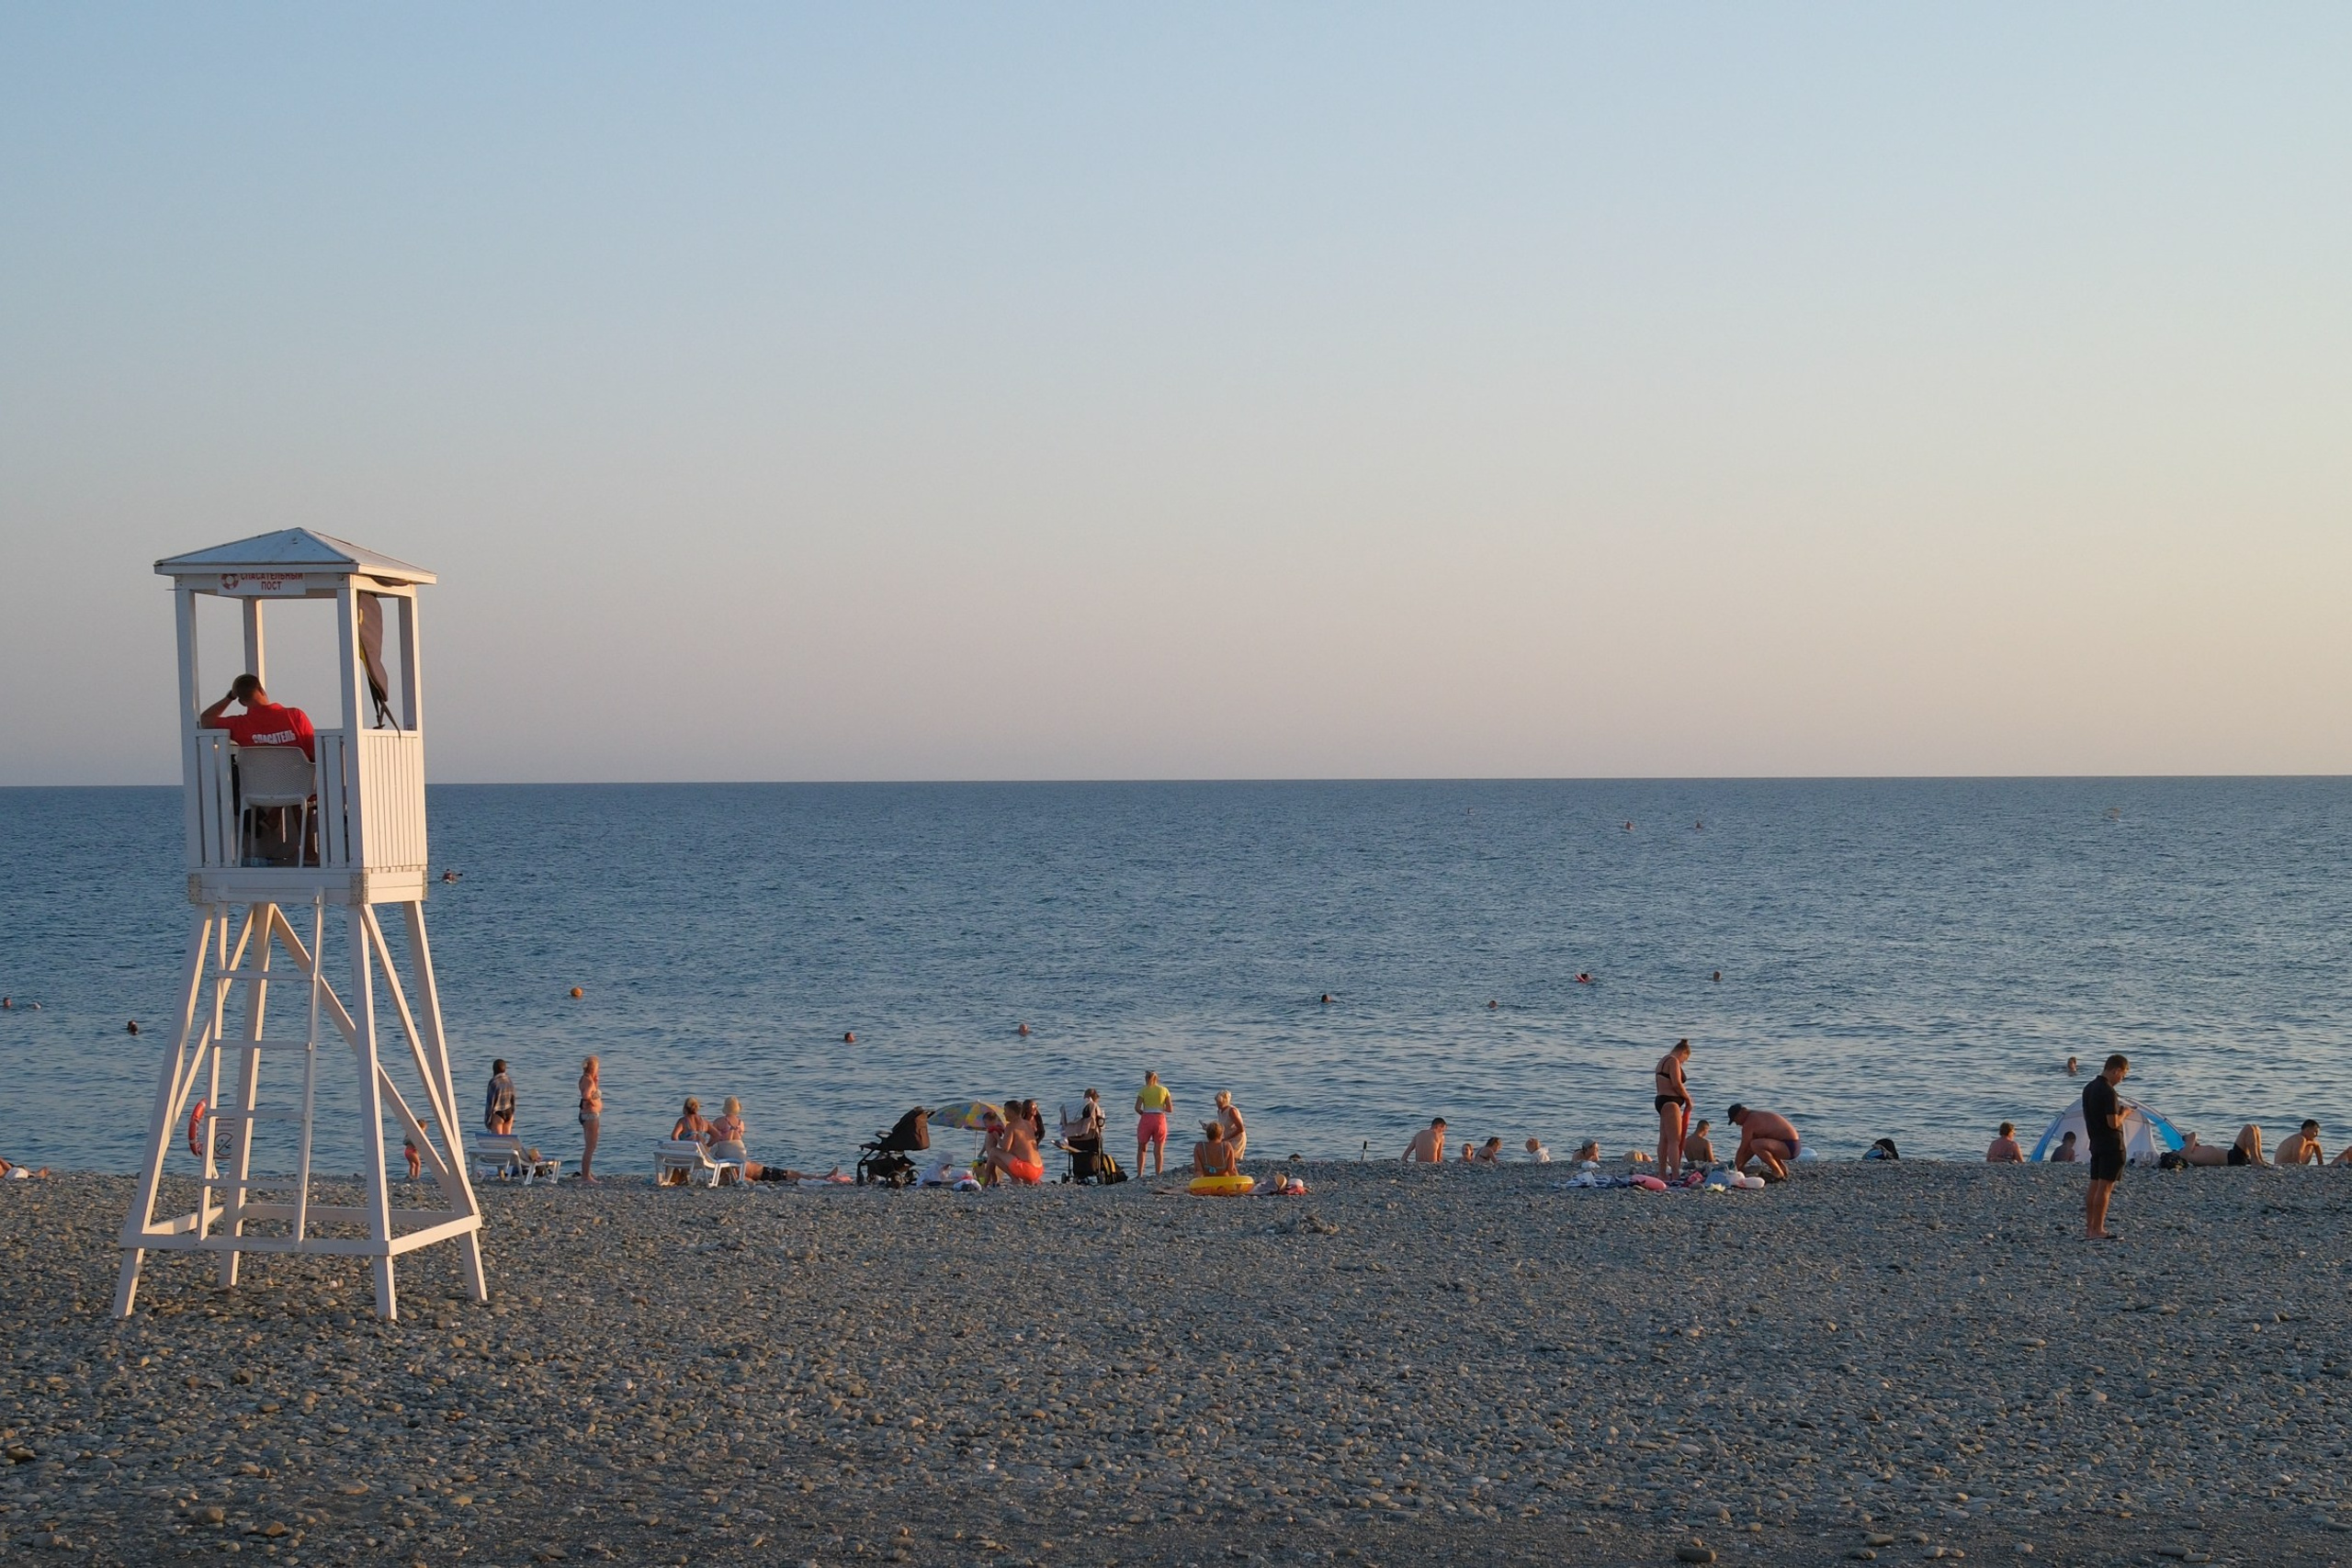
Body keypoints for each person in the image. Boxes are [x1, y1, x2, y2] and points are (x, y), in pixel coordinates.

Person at [200, 674, 317, 760]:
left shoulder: (239, 725)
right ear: (262, 690)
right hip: (300, 785)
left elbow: (205, 719)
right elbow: (315, 753)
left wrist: (230, 697)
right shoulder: (295, 716)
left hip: (258, 787)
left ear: (241, 702)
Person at [2082, 1053, 2128, 1240]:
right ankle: (2098, 1229)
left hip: (2095, 1142)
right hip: (2111, 1145)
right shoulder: (2108, 1091)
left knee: (2094, 1185)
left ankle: (2090, 1228)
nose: (2121, 1079)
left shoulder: (2089, 1088)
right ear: (2116, 1070)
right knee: (2105, 1188)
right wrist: (2125, 1113)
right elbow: (2113, 1122)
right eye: (2123, 1075)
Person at [1726, 1103, 1801, 1181]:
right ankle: (1781, 1168)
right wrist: (1740, 1167)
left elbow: (1743, 1148)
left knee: (1755, 1144)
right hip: (1792, 1146)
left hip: (1789, 1146)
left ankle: (1778, 1173)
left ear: (1741, 1113)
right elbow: (1749, 1149)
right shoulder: (1756, 1116)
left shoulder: (1750, 1122)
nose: (1737, 1124)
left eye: (1735, 1120)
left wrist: (1734, 1169)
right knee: (1755, 1143)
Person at [1654, 1039, 1693, 1177]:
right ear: (1683, 1053)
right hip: (1670, 1102)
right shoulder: (1673, 1061)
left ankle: (1662, 1173)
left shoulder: (1662, 1061)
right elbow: (1677, 1084)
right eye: (1684, 1060)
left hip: (1661, 1100)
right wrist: (1688, 1099)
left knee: (1664, 1139)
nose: (1683, 1063)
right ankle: (1675, 1173)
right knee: (1674, 1140)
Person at [987, 1106, 1044, 1185]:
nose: (1004, 1113)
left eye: (1005, 1111)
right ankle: (1028, 1180)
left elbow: (1005, 1149)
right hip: (1039, 1169)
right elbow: (1018, 1146)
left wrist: (997, 1137)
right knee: (1012, 1154)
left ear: (1012, 1113)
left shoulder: (1010, 1126)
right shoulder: (1027, 1124)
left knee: (993, 1152)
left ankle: (1014, 1179)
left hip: (1027, 1170)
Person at [1135, 1072, 1173, 1176]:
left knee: (1142, 1148)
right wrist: (1160, 1108)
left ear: (1146, 1079)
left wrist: (1144, 1113)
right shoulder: (1164, 1090)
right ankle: (1158, 1174)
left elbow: (1137, 1108)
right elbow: (1170, 1109)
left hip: (1146, 1118)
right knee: (1159, 1150)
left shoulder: (1143, 1090)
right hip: (1160, 1120)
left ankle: (1140, 1174)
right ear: (1157, 1079)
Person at [576, 1055, 603, 1181]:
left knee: (590, 1146)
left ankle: (587, 1173)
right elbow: (586, 1096)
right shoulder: (589, 1081)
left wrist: (596, 1083)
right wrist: (593, 1103)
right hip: (590, 1116)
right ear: (594, 1068)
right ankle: (586, 1176)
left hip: (585, 1115)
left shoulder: (585, 1079)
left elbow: (590, 1092)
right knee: (590, 1147)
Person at [484, 1060, 515, 1135]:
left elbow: (490, 1103)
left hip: (498, 1113)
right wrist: (512, 1113)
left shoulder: (493, 1082)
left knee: (498, 1141)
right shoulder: (509, 1080)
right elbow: (513, 1100)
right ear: (505, 1069)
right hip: (509, 1112)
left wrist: (487, 1121)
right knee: (507, 1141)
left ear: (493, 1070)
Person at [1214, 1090, 1248, 1160]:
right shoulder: (1220, 1111)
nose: (1217, 1104)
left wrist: (1226, 1138)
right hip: (1227, 1137)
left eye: (1219, 1102)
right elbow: (1222, 1125)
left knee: (1231, 1158)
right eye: (1217, 1102)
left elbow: (1241, 1128)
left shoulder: (1232, 1111)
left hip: (1236, 1138)